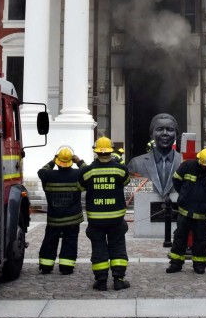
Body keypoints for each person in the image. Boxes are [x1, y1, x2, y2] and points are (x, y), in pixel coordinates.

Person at [77, 136, 132, 291]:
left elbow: (80, 188)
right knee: (118, 246)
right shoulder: (120, 169)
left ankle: (101, 281)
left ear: (96, 152)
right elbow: (126, 182)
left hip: (96, 219)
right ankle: (118, 280)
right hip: (116, 218)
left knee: (99, 248)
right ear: (111, 150)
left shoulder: (87, 171)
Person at [166, 148, 206, 274]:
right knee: (179, 238)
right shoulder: (187, 166)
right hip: (185, 212)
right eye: (204, 165)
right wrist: (184, 194)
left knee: (201, 241)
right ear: (199, 160)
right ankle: (175, 264)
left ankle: (199, 265)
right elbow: (176, 180)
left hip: (201, 215)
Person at [37, 146, 86, 275]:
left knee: (50, 240)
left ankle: (46, 266)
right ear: (71, 162)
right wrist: (79, 161)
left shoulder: (47, 175)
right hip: (72, 218)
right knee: (70, 241)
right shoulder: (77, 174)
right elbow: (88, 171)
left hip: (54, 218)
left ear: (58, 163)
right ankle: (66, 267)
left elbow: (41, 171)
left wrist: (53, 161)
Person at [127, 113, 182, 198]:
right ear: (151, 135)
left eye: (170, 129)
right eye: (160, 129)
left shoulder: (185, 162)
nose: (164, 133)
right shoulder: (136, 164)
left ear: (176, 135)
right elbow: (130, 197)